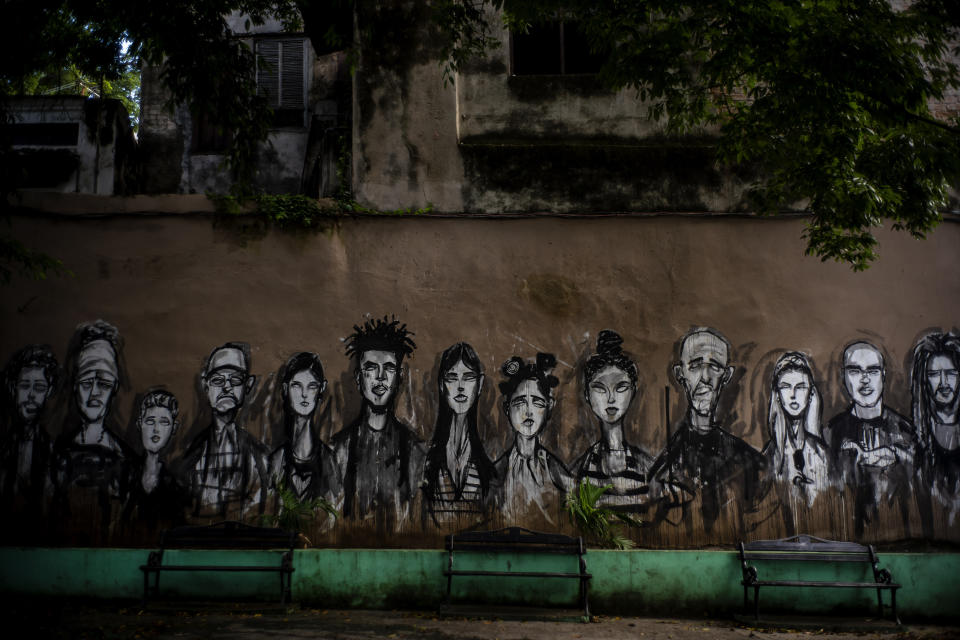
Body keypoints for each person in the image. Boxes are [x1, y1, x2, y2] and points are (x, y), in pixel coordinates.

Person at [649, 327, 766, 534]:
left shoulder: (750, 463)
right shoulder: (663, 470)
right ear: (680, 374)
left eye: (714, 366)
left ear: (727, 375)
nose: (705, 377)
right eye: (695, 365)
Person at [331, 317, 425, 525]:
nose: (380, 377)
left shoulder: (415, 451)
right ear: (358, 377)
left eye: (389, 368)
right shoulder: (338, 451)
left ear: (400, 377)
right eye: (371, 367)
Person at [52, 320, 135, 542]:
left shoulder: (125, 459)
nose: (95, 393)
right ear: (75, 386)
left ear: (114, 388)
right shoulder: (56, 456)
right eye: (87, 382)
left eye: (104, 384)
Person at [825, 340, 916, 537]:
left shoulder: (907, 432)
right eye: (855, 371)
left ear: (883, 376)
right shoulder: (830, 435)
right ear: (843, 377)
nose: (865, 380)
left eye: (873, 371)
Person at [181, 342, 269, 520]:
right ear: (206, 386)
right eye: (218, 380)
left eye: (235, 379)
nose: (226, 387)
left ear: (248, 385)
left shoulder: (259, 457)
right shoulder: (192, 455)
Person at [572, 330, 654, 514]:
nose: (611, 399)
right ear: (587, 394)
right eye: (600, 389)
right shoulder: (580, 469)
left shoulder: (648, 468)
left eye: (621, 387)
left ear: (632, 392)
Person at [422, 342, 498, 528]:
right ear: (441, 384)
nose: (460, 387)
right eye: (452, 377)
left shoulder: (489, 463)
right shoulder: (426, 461)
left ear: (479, 385)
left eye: (468, 377)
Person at [494, 353, 572, 523]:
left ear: (549, 407)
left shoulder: (558, 474)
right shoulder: (496, 472)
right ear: (507, 408)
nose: (528, 411)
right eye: (520, 401)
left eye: (537, 402)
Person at [268, 352, 342, 509]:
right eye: (297, 385)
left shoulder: (328, 460)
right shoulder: (277, 459)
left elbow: (333, 509)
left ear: (321, 389)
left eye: (312, 386)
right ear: (286, 388)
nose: (304, 394)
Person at [0, 345, 58, 536]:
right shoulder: (4, 448)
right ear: (12, 387)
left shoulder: (53, 454)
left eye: (39, 388)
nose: (32, 395)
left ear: (48, 392)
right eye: (25, 386)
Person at [760, 352, 831, 509]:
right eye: (786, 387)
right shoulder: (769, 457)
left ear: (810, 394)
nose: (793, 395)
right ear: (777, 395)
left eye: (800, 387)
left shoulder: (823, 454)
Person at [123, 389, 190, 532]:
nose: (156, 429)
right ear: (140, 424)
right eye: (150, 421)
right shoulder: (123, 476)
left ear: (174, 428)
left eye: (164, 422)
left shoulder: (176, 487)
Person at [910, 331, 960, 518]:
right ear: (923, 380)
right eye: (934, 374)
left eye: (950, 373)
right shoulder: (911, 437)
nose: (943, 383)